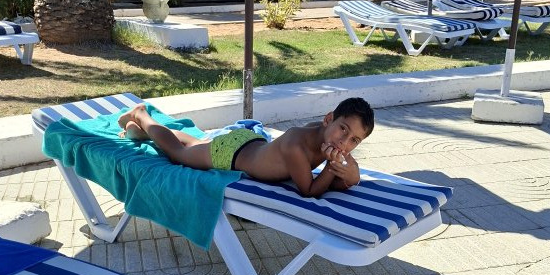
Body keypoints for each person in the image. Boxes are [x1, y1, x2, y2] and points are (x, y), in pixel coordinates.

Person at [117, 97, 375, 198]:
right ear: (329, 119)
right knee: (179, 154)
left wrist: (350, 175)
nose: (344, 142)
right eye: (343, 129)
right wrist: (332, 168)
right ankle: (142, 115)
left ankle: (142, 132)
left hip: (250, 144)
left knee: (194, 143)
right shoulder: (296, 145)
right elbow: (309, 190)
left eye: (354, 140)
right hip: (232, 154)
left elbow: (339, 181)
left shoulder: (323, 134)